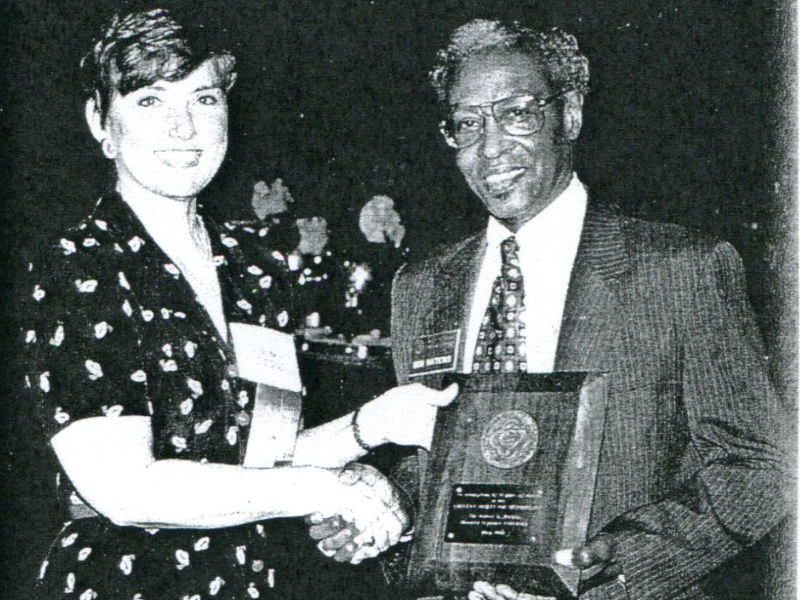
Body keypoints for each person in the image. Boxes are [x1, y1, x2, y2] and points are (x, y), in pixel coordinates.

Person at [309, 19, 790, 600]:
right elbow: (433, 456)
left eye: (517, 113)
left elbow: (762, 467)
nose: (490, 149)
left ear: (570, 115)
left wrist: (621, 561)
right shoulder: (421, 284)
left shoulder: (680, 267)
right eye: (467, 124)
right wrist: (389, 510)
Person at [20, 9, 455, 599]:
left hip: (244, 578)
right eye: (149, 101)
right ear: (101, 122)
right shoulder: (81, 263)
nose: (183, 128)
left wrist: (371, 425)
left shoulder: (254, 267)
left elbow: (261, 461)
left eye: (203, 99)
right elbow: (124, 490)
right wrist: (324, 489)